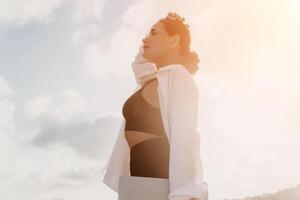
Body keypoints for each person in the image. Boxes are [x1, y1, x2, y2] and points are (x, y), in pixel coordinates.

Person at [102, 12, 208, 200]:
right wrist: (163, 28)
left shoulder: (178, 78)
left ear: (174, 41)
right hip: (138, 178)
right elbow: (139, 61)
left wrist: (185, 192)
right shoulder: (150, 78)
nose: (145, 39)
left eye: (154, 33)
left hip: (159, 175)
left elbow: (185, 137)